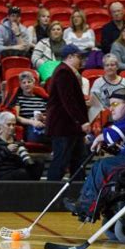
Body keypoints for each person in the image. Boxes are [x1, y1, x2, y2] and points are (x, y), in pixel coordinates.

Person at [63, 88, 125, 219]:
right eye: (110, 105)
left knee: (104, 166)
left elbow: (112, 134)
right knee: (99, 165)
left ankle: (87, 207)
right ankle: (86, 202)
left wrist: (99, 138)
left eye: (115, 104)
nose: (111, 109)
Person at [46, 44, 90, 181]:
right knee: (61, 162)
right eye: (79, 57)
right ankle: (49, 193)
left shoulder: (66, 71)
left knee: (79, 162)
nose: (82, 60)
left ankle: (77, 192)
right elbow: (68, 101)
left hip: (70, 128)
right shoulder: (64, 72)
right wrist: (81, 122)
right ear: (70, 57)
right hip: (64, 127)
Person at [0, 112, 44, 180]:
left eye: (13, 124)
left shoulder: (17, 141)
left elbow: (19, 164)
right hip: (1, 174)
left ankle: (32, 186)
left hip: (15, 171)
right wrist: (7, 150)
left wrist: (20, 155)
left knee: (39, 163)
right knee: (22, 173)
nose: (12, 127)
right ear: (1, 126)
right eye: (8, 124)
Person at [11, 71, 49, 144]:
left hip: (45, 124)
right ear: (21, 85)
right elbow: (17, 117)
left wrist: (43, 118)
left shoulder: (41, 97)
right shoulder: (18, 98)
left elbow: (50, 114)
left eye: (29, 82)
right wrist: (32, 122)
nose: (26, 85)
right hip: (30, 126)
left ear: (33, 83)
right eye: (24, 83)